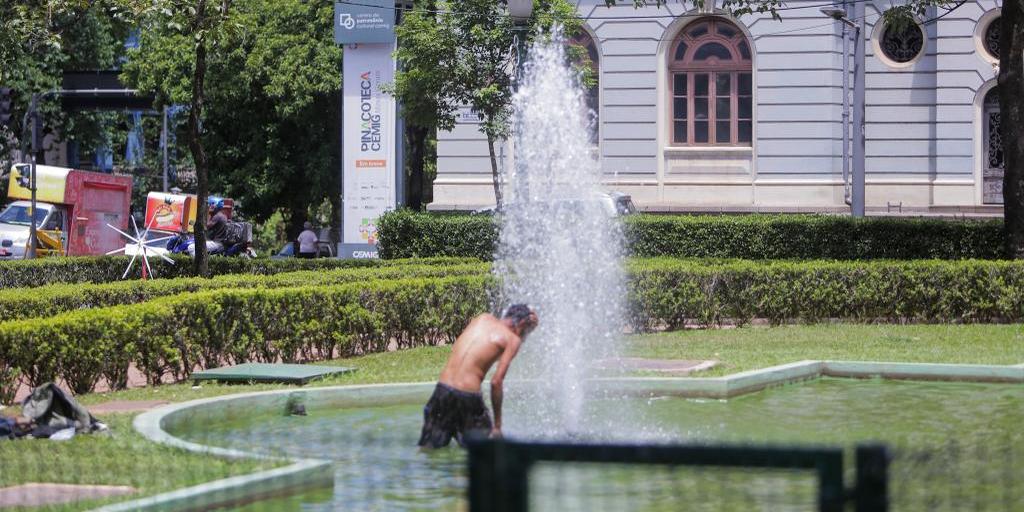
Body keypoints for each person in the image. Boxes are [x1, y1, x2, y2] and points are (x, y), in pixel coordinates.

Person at [418, 304, 538, 449]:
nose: (525, 337)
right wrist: (498, 426)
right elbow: (496, 382)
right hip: (468, 396)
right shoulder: (512, 340)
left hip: (442, 389)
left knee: (429, 449)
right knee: (485, 451)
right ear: (522, 324)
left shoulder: (482, 319)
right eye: (527, 331)